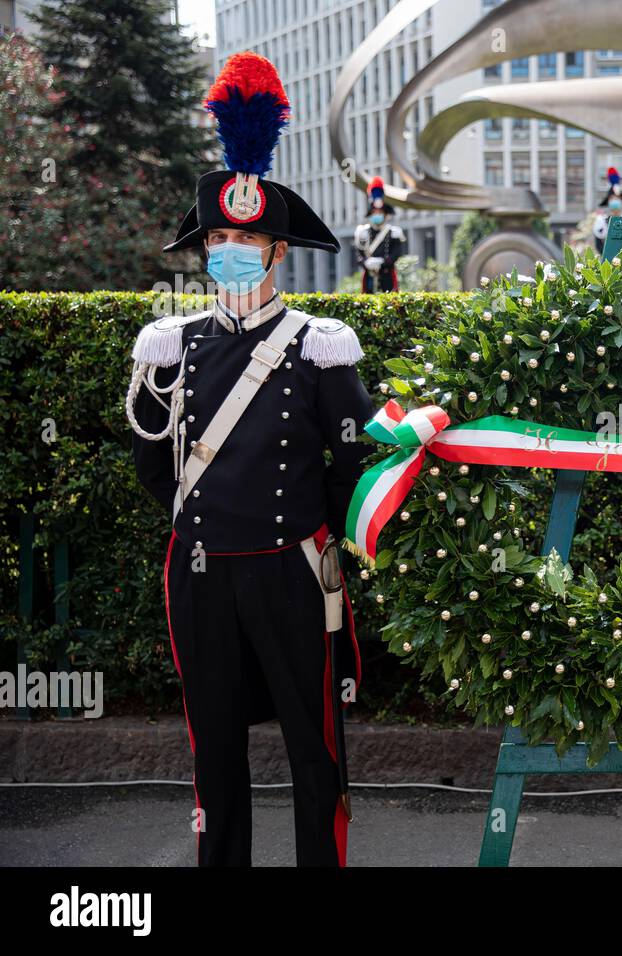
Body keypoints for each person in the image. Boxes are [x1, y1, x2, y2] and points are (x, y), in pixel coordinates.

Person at [125, 51, 374, 866]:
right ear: (205, 252)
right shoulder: (176, 345)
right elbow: (154, 464)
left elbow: (350, 461)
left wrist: (323, 540)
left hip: (289, 569)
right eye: (220, 238)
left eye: (249, 239)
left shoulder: (318, 347)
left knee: (314, 749)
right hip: (202, 573)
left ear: (277, 254)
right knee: (214, 754)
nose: (232, 250)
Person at [354, 176, 405, 292]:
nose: (377, 214)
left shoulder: (394, 232)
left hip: (387, 276)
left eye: (380, 212)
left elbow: (396, 253)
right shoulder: (362, 232)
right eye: (374, 212)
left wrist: (383, 262)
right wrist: (366, 263)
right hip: (369, 276)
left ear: (385, 214)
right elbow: (358, 254)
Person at [592, 166, 622, 256]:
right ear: (608, 201)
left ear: (621, 200)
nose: (615, 201)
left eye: (617, 198)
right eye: (612, 198)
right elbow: (598, 244)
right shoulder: (601, 221)